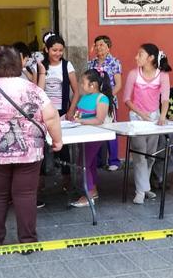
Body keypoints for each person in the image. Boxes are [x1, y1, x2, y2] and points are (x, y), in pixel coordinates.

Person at [0, 45, 63, 247]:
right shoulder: (33, 90)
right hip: (29, 153)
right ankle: (27, 240)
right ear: (19, 65)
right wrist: (57, 140)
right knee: (26, 195)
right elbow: (52, 117)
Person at [122, 43, 172, 204]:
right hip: (137, 119)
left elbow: (165, 99)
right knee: (139, 154)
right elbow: (126, 100)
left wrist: (162, 116)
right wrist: (140, 114)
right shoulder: (133, 74)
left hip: (154, 119)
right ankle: (140, 192)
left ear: (151, 58)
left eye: (140, 54)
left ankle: (146, 187)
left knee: (151, 156)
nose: (136, 57)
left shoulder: (162, 75)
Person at [69, 69, 113, 208]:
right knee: (90, 162)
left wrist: (80, 122)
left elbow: (99, 119)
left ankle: (88, 194)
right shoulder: (84, 97)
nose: (81, 85)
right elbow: (80, 115)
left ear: (93, 84)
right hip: (83, 135)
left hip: (94, 135)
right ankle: (93, 190)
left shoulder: (102, 99)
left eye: (83, 82)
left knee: (83, 163)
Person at [42, 33, 79, 188]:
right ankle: (40, 181)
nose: (57, 53)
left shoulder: (67, 66)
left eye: (60, 50)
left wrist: (70, 111)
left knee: (63, 148)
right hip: (44, 113)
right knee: (42, 147)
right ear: (46, 49)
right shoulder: (41, 66)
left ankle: (67, 179)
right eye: (54, 50)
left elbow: (76, 91)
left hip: (63, 112)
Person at [87, 35, 122, 171]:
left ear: (108, 47)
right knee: (95, 130)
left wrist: (106, 98)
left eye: (101, 44)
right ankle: (98, 160)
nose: (98, 47)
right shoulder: (91, 64)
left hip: (108, 102)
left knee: (111, 130)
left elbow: (118, 84)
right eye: (96, 45)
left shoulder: (114, 62)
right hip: (94, 102)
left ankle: (114, 160)